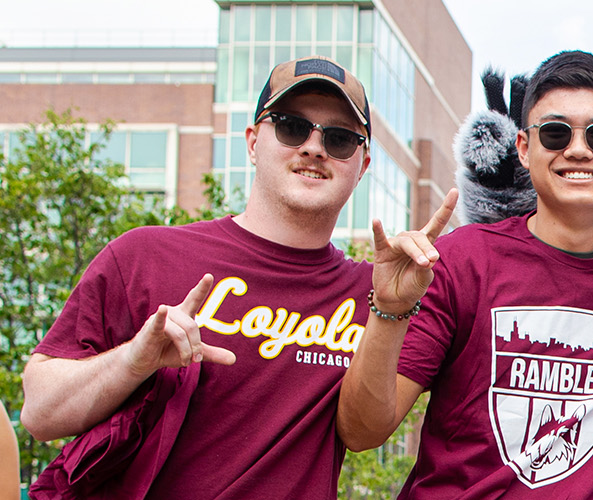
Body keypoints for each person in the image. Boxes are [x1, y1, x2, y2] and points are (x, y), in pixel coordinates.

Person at [20, 56, 386, 499]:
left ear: (362, 166)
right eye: (291, 126)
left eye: (340, 138)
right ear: (252, 143)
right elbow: (40, 412)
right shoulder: (145, 255)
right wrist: (134, 360)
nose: (314, 148)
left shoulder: (378, 297)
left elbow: (375, 431)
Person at [336, 50, 593, 498]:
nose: (578, 149)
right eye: (556, 133)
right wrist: (388, 309)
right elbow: (362, 432)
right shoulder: (461, 260)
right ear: (524, 148)